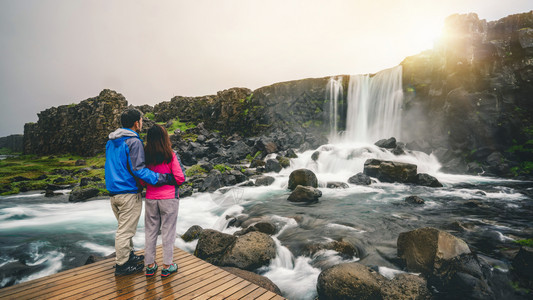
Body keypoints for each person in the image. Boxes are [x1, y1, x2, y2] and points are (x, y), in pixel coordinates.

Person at [105, 108, 175, 276]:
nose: (142, 123)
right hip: (128, 192)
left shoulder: (111, 141)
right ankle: (122, 265)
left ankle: (128, 256)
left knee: (124, 227)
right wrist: (163, 178)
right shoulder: (134, 142)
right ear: (136, 123)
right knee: (125, 231)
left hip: (113, 192)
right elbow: (139, 170)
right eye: (141, 120)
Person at [142, 124, 185, 278]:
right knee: (168, 232)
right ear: (165, 137)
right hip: (169, 199)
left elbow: (142, 179)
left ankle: (150, 265)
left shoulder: (145, 156)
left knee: (150, 231)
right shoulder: (170, 155)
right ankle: (167, 266)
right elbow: (180, 178)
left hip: (151, 199)